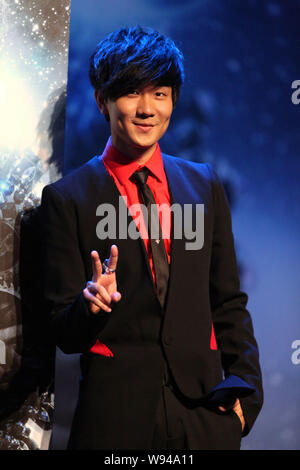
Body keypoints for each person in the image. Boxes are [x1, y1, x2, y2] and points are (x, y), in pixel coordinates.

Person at [40, 25, 263, 450]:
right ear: (102, 101)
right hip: (114, 424)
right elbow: (62, 331)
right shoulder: (67, 198)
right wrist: (91, 306)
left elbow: (229, 302)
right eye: (130, 93)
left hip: (205, 422)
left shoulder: (203, 185)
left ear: (173, 101)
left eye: (159, 93)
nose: (146, 109)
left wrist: (245, 398)